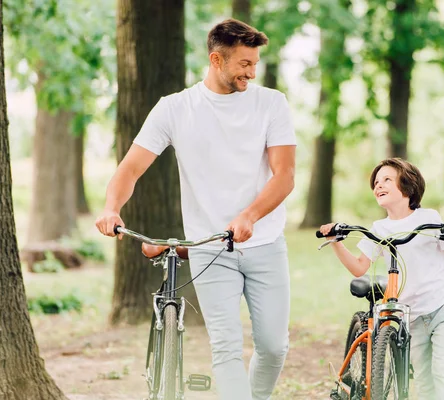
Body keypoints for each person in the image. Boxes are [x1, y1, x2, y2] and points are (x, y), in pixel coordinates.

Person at [95, 18, 296, 400]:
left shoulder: (271, 103)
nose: (251, 73)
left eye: (255, 64)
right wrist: (111, 207)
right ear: (216, 60)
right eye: (244, 64)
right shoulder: (175, 108)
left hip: (266, 243)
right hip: (209, 249)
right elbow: (131, 168)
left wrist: (249, 215)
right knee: (226, 347)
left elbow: (284, 175)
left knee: (273, 347)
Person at [319, 157, 444, 400]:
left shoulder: (429, 218)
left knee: (443, 372)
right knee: (424, 380)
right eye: (376, 182)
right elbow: (360, 267)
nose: (378, 186)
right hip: (412, 316)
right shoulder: (379, 229)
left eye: (387, 180)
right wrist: (336, 243)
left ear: (407, 186)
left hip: (442, 306)